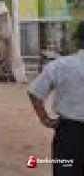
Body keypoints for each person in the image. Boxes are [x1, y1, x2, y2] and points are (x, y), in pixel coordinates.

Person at [28, 22, 84, 176]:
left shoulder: (61, 65)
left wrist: (46, 120)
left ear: (78, 41)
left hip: (69, 134)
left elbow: (34, 92)